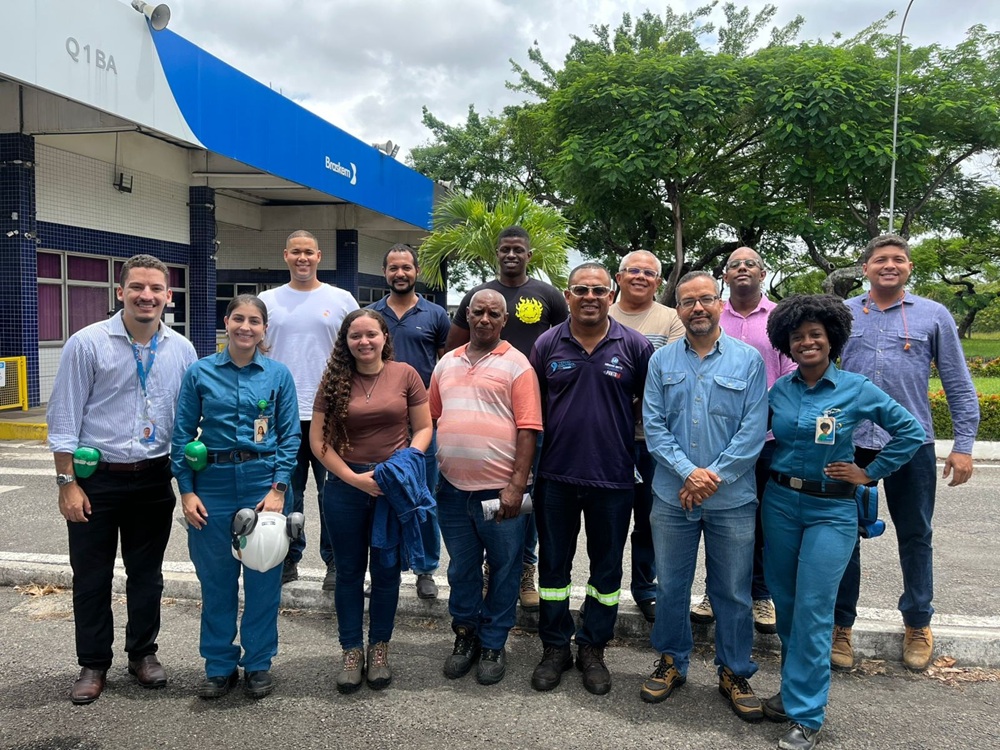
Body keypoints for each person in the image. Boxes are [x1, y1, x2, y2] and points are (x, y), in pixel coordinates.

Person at [761, 294, 924, 750]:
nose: (807, 342)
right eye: (798, 337)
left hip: (830, 511)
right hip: (779, 503)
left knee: (814, 609)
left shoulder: (856, 388)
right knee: (788, 605)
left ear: (832, 339)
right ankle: (794, 693)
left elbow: (910, 430)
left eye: (815, 335)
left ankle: (808, 714)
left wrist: (870, 473)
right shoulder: (781, 390)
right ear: (787, 345)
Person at [47, 254, 198, 705]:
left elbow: (187, 418)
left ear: (168, 297)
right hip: (97, 480)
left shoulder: (183, 349)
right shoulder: (87, 343)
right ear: (120, 292)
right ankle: (93, 663)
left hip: (154, 478)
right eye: (137, 287)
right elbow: (63, 419)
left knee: (147, 576)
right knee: (91, 576)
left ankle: (142, 654)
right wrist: (66, 483)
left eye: (155, 289)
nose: (146, 296)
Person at [832, 234, 979, 672]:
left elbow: (957, 380)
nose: (889, 265)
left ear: (909, 267)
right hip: (850, 440)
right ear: (865, 268)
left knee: (916, 533)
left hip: (910, 441)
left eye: (898, 259)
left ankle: (917, 621)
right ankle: (842, 626)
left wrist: (964, 445)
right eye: (880, 259)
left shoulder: (934, 316)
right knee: (842, 532)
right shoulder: (843, 313)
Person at [638, 271, 768, 723]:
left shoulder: (749, 361)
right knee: (671, 586)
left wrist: (711, 475)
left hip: (731, 499)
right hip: (672, 498)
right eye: (688, 301)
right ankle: (672, 661)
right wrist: (688, 473)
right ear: (677, 309)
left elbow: (753, 431)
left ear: (720, 302)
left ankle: (734, 670)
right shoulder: (661, 362)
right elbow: (653, 427)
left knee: (731, 591)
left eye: (706, 299)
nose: (697, 308)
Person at [528, 262, 653, 696]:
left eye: (599, 290)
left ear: (610, 294)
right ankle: (556, 647)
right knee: (554, 568)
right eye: (581, 289)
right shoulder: (546, 343)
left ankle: (593, 648)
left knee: (605, 571)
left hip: (614, 477)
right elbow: (531, 410)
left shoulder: (634, 345)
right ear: (568, 295)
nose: (590, 297)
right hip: (555, 476)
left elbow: (648, 407)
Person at [171, 295, 300, 700]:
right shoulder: (200, 372)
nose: (246, 327)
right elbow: (181, 435)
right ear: (226, 322)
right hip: (212, 484)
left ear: (265, 329)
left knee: (263, 580)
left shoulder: (278, 375)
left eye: (255, 321)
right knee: (217, 581)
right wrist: (186, 492)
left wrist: (278, 490)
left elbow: (290, 436)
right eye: (238, 319)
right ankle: (219, 665)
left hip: (264, 484)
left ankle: (259, 663)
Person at [309, 309, 433, 693]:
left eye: (371, 335)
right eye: (355, 336)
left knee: (386, 572)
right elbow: (318, 441)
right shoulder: (333, 379)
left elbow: (425, 428)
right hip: (346, 487)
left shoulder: (405, 375)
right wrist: (353, 478)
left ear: (384, 337)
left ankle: (379, 648)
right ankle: (351, 651)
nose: (363, 342)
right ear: (345, 341)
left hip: (391, 486)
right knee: (347, 573)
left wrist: (405, 463)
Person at [447, 225, 568, 611]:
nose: (511, 255)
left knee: (525, 496)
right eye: (505, 249)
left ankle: (525, 569)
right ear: (496, 254)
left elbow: (566, 337)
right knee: (485, 506)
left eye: (518, 249)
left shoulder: (547, 295)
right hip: (491, 413)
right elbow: (452, 347)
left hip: (538, 414)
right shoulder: (478, 294)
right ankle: (490, 571)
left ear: (529, 255)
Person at [430, 289, 543, 685]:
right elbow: (432, 417)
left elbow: (529, 429)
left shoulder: (518, 366)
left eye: (493, 313)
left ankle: (494, 642)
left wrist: (516, 485)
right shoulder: (446, 363)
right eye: (477, 311)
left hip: (500, 493)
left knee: (504, 569)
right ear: (467, 314)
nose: (484, 319)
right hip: (452, 490)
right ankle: (465, 635)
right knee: (461, 569)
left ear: (504, 320)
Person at [691, 247, 797, 635]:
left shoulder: (779, 319)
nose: (742, 269)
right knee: (712, 518)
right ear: (725, 275)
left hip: (766, 439)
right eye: (734, 264)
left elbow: (787, 381)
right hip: (714, 441)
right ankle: (711, 592)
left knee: (758, 522)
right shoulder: (714, 315)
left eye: (749, 263)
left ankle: (761, 593)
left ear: (762, 272)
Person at [258, 230, 359, 589]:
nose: (303, 258)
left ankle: (335, 562)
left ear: (319, 257)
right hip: (281, 414)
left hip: (331, 412)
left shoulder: (342, 299)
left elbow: (357, 348)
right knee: (286, 491)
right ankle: (287, 558)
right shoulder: (267, 301)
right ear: (285, 256)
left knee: (333, 494)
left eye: (309, 253)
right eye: (296, 252)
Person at [367, 243, 451, 600]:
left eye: (406, 267)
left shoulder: (436, 316)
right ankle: (382, 568)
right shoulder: (370, 316)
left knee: (423, 496)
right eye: (393, 268)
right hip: (379, 423)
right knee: (380, 496)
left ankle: (425, 568)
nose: (400, 274)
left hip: (423, 423)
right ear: (385, 272)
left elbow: (448, 367)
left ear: (416, 272)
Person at [608, 249, 685, 623]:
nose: (640, 276)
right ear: (618, 277)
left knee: (650, 519)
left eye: (649, 272)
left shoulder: (672, 319)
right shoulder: (601, 312)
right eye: (632, 270)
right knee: (607, 518)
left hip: (654, 440)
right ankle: (603, 585)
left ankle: (645, 587)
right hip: (605, 438)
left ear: (659, 281)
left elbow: (666, 374)